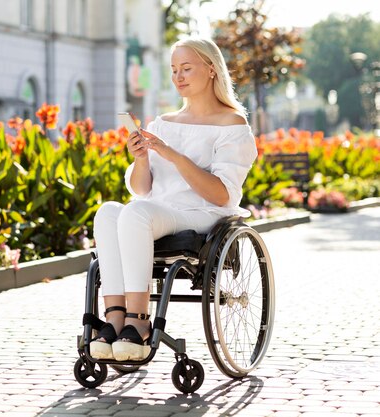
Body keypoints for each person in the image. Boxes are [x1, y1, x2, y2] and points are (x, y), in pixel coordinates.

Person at [90, 37, 258, 362]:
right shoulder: (163, 123)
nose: (178, 76)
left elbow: (222, 193)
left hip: (202, 212)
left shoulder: (232, 124)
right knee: (108, 212)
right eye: (173, 70)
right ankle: (113, 319)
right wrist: (141, 157)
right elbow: (141, 189)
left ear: (211, 70)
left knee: (136, 214)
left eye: (186, 68)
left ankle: (138, 323)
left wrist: (173, 155)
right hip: (156, 210)